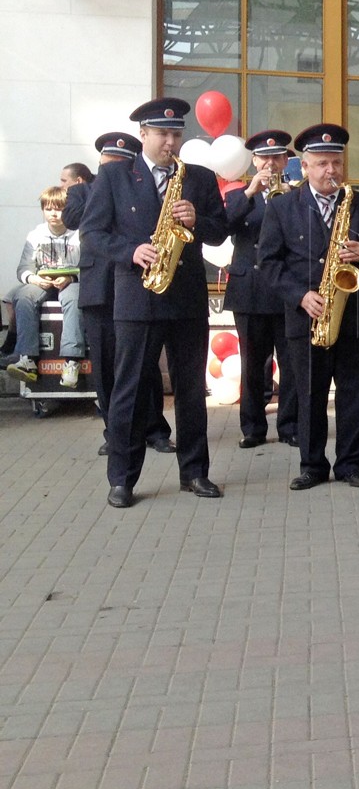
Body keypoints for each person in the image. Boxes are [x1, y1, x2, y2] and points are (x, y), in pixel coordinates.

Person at [80, 98, 228, 508]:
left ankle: (195, 473)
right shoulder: (114, 176)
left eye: (176, 134)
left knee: (192, 391)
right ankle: (123, 479)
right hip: (137, 300)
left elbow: (219, 231)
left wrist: (198, 220)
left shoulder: (197, 177)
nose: (170, 142)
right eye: (162, 134)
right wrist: (131, 251)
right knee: (129, 391)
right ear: (143, 135)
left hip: (186, 300)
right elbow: (92, 234)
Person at [257, 124, 359, 490]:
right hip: (307, 317)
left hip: (356, 319)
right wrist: (301, 295)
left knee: (354, 394)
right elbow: (268, 264)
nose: (331, 171)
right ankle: (312, 465)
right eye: (321, 164)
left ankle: (351, 464)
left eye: (336, 162)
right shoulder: (283, 206)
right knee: (309, 395)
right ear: (304, 167)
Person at [63, 132, 174, 456]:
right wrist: (105, 193)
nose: (115, 167)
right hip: (99, 290)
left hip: (133, 285)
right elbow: (74, 220)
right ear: (100, 163)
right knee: (106, 365)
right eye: (109, 162)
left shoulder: (141, 186)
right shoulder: (84, 189)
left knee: (145, 364)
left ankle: (155, 430)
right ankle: (115, 432)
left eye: (121, 162)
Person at [224, 129, 301, 450]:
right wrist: (251, 193)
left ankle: (290, 425)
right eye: (264, 158)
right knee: (253, 363)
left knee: (292, 362)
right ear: (253, 161)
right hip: (250, 289)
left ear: (286, 160)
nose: (270, 163)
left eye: (276, 157)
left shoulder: (297, 194)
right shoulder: (237, 195)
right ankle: (253, 427)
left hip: (286, 289)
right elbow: (223, 227)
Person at [3, 186, 85, 387]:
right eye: (48, 209)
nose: (54, 214)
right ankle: (27, 360)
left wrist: (70, 278)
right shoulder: (35, 235)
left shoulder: (79, 234)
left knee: (74, 300)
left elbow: (88, 268)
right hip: (43, 282)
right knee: (23, 296)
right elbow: (23, 268)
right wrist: (34, 279)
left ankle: (71, 361)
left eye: (59, 208)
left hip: (71, 282)